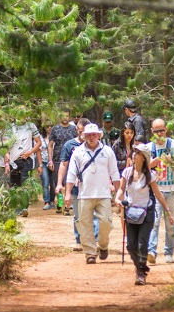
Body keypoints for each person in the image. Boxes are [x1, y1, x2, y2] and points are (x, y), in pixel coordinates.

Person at [115, 143, 174, 285]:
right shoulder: (127, 172)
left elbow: (158, 194)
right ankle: (141, 266)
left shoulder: (150, 176)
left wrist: (168, 211)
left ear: (144, 157)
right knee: (130, 246)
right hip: (131, 212)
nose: (135, 154)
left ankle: (140, 273)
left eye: (138, 152)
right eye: (134, 152)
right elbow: (121, 189)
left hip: (146, 213)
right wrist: (117, 199)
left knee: (142, 244)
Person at [65, 123, 121, 264]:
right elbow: (71, 174)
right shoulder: (77, 152)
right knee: (84, 224)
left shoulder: (107, 151)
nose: (91, 137)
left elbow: (114, 173)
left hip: (104, 194)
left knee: (105, 222)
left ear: (99, 135)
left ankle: (103, 245)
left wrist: (119, 194)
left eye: (94, 135)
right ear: (84, 136)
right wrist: (67, 193)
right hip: (84, 194)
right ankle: (90, 252)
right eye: (88, 135)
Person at [147, 118, 174, 264]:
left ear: (166, 130)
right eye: (156, 131)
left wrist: (172, 161)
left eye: (161, 130)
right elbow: (140, 169)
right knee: (154, 222)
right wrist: (151, 164)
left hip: (171, 190)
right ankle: (151, 251)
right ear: (152, 132)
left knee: (170, 223)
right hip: (156, 191)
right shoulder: (148, 147)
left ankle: (169, 252)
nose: (159, 134)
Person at [57, 119, 100, 250]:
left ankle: (95, 239)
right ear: (77, 130)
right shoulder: (69, 145)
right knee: (78, 214)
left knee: (94, 214)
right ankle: (79, 240)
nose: (84, 135)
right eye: (81, 132)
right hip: (75, 185)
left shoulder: (99, 146)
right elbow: (64, 164)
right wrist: (60, 183)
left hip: (92, 185)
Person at [4, 118, 42, 217]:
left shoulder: (31, 125)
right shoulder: (9, 127)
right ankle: (16, 208)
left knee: (25, 183)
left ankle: (24, 207)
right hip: (13, 160)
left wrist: (30, 152)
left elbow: (39, 142)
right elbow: (4, 144)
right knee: (14, 185)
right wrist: (6, 157)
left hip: (27, 159)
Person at [48, 110, 77, 213]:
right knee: (58, 183)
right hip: (57, 159)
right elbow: (50, 145)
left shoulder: (73, 129)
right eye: (63, 116)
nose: (65, 118)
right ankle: (60, 204)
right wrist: (50, 160)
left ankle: (67, 206)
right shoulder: (55, 129)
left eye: (67, 116)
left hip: (71, 159)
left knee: (69, 183)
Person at [39, 125, 53, 210]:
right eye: (47, 126)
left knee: (53, 183)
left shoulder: (55, 136)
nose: (49, 127)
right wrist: (39, 164)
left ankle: (52, 200)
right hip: (44, 162)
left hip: (54, 162)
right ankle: (47, 201)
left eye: (51, 126)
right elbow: (38, 151)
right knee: (45, 182)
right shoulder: (40, 138)